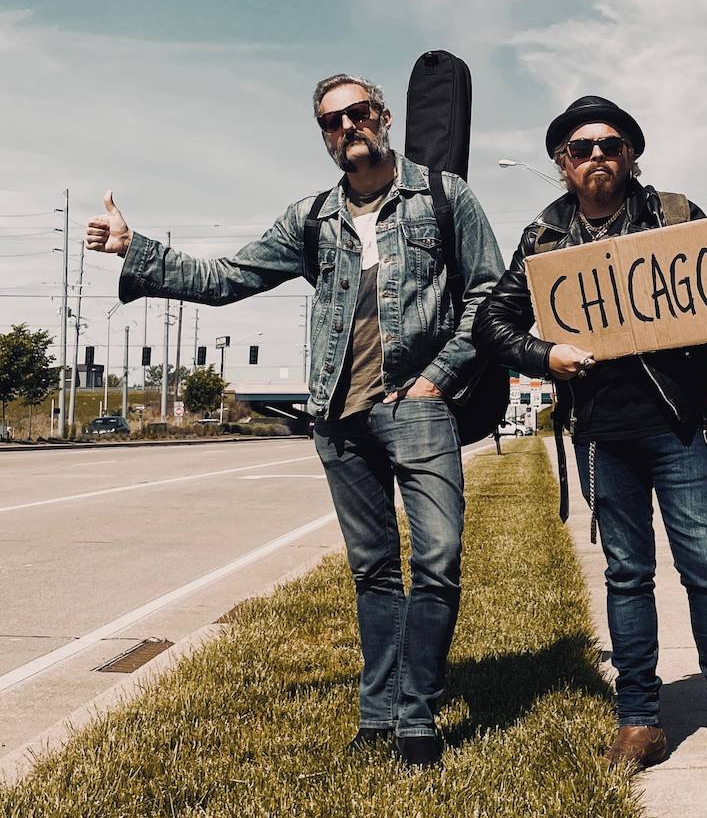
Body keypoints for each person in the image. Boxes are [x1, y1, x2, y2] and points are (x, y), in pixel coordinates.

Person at [85, 73, 504, 768]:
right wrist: (137, 249)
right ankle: (379, 718)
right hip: (339, 418)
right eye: (331, 122)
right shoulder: (311, 218)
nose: (347, 128)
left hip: (418, 406)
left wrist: (436, 379)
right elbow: (224, 278)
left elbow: (487, 299)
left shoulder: (443, 197)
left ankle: (417, 711)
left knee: (438, 559)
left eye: (357, 113)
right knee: (373, 571)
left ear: (385, 116)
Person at [471, 95, 707, 789]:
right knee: (625, 576)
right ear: (563, 165)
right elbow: (492, 326)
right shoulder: (544, 239)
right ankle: (638, 720)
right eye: (581, 149)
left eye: (610, 143)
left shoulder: (674, 216)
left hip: (677, 428)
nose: (597, 157)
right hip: (601, 436)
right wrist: (545, 355)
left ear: (630, 153)